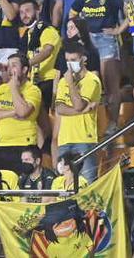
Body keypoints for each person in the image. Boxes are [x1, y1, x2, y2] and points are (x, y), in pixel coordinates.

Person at [0, 53, 42, 172]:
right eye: (8, 66)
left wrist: (14, 88)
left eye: (14, 65)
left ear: (25, 69)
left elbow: (23, 112)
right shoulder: (2, 88)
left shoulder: (33, 90)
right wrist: (12, 112)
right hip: (1, 145)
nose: (10, 70)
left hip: (24, 145)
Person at [53, 44, 102, 182]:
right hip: (64, 139)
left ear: (83, 59)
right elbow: (59, 109)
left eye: (73, 59)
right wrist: (80, 111)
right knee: (66, 183)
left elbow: (79, 105)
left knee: (87, 183)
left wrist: (70, 84)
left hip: (84, 139)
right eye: (67, 60)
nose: (70, 64)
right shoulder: (63, 81)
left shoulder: (92, 80)